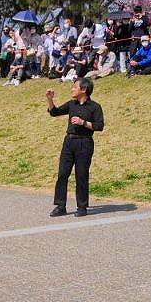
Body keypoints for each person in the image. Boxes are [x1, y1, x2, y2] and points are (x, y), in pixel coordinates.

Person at [46, 78, 104, 218]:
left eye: (75, 87)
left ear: (83, 90)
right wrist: (50, 99)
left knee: (81, 175)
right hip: (69, 142)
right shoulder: (72, 104)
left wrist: (83, 122)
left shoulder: (95, 107)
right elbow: (55, 112)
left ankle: (82, 206)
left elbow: (99, 126)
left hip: (85, 143)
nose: (72, 89)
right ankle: (60, 206)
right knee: (62, 174)